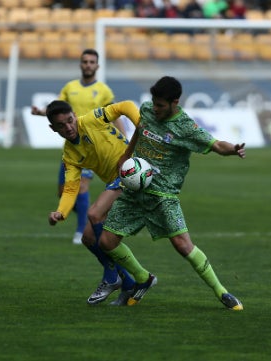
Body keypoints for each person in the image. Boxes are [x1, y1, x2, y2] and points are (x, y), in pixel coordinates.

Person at [99, 76, 246, 310]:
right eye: (154, 103)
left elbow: (217, 145)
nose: (154, 109)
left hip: (163, 197)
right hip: (135, 192)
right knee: (106, 240)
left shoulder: (185, 127)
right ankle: (143, 278)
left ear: (174, 102)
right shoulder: (147, 110)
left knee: (182, 245)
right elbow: (141, 129)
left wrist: (233, 149)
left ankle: (223, 293)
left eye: (160, 105)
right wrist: (126, 155)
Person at [45, 100, 140, 305]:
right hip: (115, 184)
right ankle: (128, 281)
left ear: (74, 115)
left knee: (94, 214)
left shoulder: (92, 119)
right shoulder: (69, 154)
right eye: (61, 125)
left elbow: (125, 106)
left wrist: (140, 123)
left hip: (131, 173)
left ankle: (114, 276)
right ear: (53, 129)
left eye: (70, 120)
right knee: (88, 237)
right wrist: (60, 212)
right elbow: (71, 188)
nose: (68, 127)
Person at [31, 49, 118, 246]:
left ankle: (81, 230)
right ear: (80, 64)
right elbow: (57, 110)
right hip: (72, 146)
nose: (88, 65)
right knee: (63, 192)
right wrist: (40, 113)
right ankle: (86, 214)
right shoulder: (70, 87)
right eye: (85, 61)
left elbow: (114, 115)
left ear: (97, 66)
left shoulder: (103, 90)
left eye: (91, 62)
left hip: (93, 146)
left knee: (81, 187)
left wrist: (125, 138)